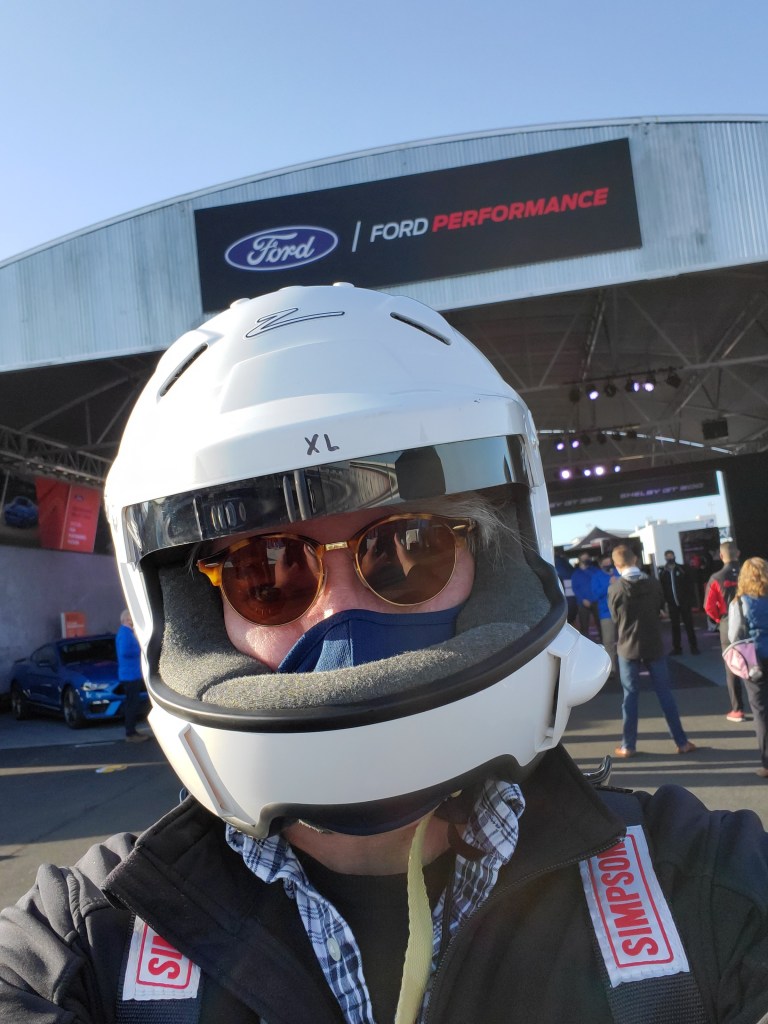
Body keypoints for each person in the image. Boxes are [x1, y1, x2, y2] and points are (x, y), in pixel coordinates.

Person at [1, 284, 768, 1023]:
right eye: (267, 570)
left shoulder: (699, 883)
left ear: (498, 570)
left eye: (409, 548)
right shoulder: (85, 938)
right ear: (199, 621)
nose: (342, 613)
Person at [608, 543, 696, 759]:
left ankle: (628, 745)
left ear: (617, 565)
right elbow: (659, 608)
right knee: (665, 693)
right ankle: (681, 742)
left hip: (628, 647)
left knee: (630, 696)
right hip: (654, 645)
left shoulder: (615, 589)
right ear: (636, 559)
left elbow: (615, 619)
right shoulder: (654, 584)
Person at [731, 557, 768, 778]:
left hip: (756, 661)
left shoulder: (740, 602)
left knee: (761, 712)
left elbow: (734, 635)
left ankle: (767, 763)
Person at [705, 542, 746, 722]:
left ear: (721, 556)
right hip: (752, 621)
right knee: (759, 661)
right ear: (737, 553)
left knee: (731, 666)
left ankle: (737, 710)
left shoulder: (716, 577)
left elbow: (708, 606)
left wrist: (719, 620)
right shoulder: (750, 573)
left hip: (728, 623)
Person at [115, 608, 149, 743]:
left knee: (133, 703)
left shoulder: (127, 632)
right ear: (126, 619)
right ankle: (130, 733)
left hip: (132, 673)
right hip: (130, 675)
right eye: (131, 617)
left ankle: (132, 731)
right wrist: (140, 648)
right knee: (132, 704)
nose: (133, 619)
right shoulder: (125, 633)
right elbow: (124, 651)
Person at [657, 550, 699, 656]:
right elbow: (661, 589)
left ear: (675, 556)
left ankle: (694, 647)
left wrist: (692, 600)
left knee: (689, 625)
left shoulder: (682, 569)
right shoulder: (663, 572)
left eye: (671, 556)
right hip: (672, 603)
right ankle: (677, 648)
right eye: (668, 556)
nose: (670, 558)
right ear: (665, 558)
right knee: (674, 626)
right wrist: (663, 604)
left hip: (684, 602)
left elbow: (690, 585)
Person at [590, 553, 619, 677]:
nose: (608, 565)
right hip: (605, 613)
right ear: (600, 564)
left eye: (610, 562)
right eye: (605, 563)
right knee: (608, 641)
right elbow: (595, 595)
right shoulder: (596, 577)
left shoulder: (618, 573)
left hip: (621, 611)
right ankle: (611, 668)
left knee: (625, 639)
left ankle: (627, 664)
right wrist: (609, 584)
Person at [571, 551, 600, 637]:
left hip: (596, 601)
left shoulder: (595, 570)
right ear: (580, 560)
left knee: (600, 625)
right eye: (584, 559)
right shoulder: (575, 574)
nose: (587, 560)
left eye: (588, 558)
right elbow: (575, 588)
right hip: (582, 603)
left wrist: (586, 570)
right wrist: (583, 600)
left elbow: (598, 580)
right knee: (584, 627)